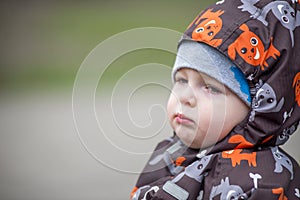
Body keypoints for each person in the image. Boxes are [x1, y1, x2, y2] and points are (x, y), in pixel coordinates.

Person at [131, 0, 300, 199]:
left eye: (210, 88)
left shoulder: (260, 184)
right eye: (181, 80)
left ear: (258, 108)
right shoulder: (169, 152)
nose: (185, 98)